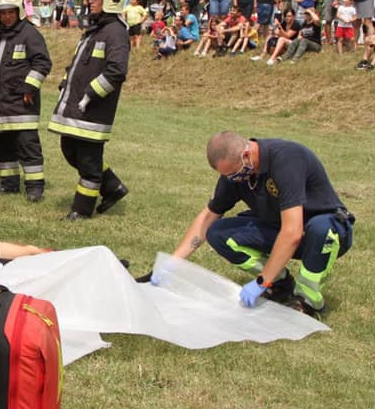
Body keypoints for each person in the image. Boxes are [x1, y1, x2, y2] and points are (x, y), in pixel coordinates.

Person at [145, 131, 354, 318]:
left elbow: (293, 232)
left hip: (320, 232)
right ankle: (280, 285)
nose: (233, 180)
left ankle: (307, 299)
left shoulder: (286, 159)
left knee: (321, 230)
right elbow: (209, 216)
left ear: (245, 156)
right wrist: (173, 263)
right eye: (227, 176)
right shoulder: (236, 175)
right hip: (279, 228)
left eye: (234, 174)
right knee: (218, 232)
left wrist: (261, 282)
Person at [48, 0, 129, 220]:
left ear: (110, 2)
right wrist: (66, 84)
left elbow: (117, 71)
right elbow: (77, 65)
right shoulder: (95, 29)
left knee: (89, 162)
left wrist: (90, 94)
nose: (90, 1)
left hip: (93, 109)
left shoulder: (116, 32)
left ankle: (81, 210)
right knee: (70, 150)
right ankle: (112, 187)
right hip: (78, 106)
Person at [0, 0, 52, 202]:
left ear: (18, 12)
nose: (6, 16)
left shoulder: (30, 34)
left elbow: (43, 63)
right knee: (3, 148)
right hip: (0, 107)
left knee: (28, 148)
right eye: (2, 13)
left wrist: (29, 87)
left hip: (22, 105)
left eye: (10, 12)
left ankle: (35, 188)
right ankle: (9, 186)